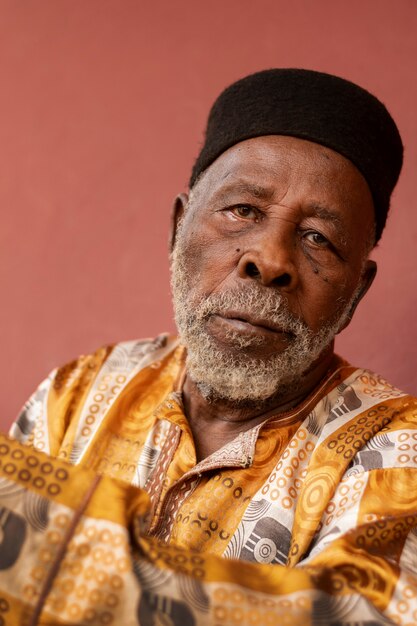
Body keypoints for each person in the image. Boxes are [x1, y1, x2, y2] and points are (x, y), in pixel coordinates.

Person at [4, 69, 417, 625]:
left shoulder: (397, 452)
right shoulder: (80, 390)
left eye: (319, 237)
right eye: (242, 210)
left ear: (356, 291)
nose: (269, 260)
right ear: (178, 228)